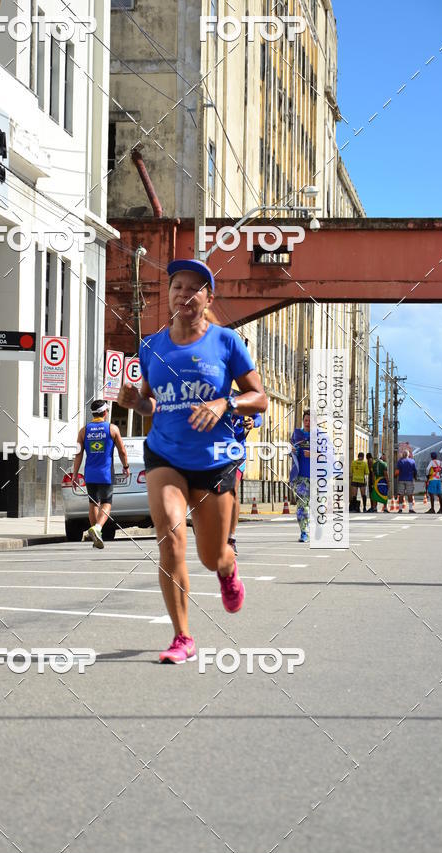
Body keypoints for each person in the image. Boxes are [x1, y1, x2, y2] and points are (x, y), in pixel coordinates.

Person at [117, 259, 267, 664]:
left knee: (211, 555)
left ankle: (227, 569)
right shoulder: (151, 346)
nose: (183, 293)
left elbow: (259, 398)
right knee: (169, 535)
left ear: (208, 298)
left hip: (213, 459)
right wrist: (135, 403)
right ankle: (182, 636)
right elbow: (151, 403)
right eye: (177, 286)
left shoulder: (226, 342)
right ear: (168, 294)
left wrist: (225, 403)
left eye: (193, 288)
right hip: (165, 453)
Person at [71, 400, 130, 548]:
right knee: (106, 502)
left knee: (93, 503)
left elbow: (78, 454)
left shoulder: (83, 431)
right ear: (104, 412)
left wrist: (74, 474)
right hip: (105, 473)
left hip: (90, 474)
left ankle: (97, 536)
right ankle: (97, 528)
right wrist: (126, 466)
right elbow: (122, 451)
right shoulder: (112, 429)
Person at [228, 409, 262, 556]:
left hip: (237, 453)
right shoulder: (211, 397)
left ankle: (231, 538)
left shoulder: (241, 400)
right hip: (215, 452)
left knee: (233, 492)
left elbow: (258, 417)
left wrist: (253, 422)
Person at [289, 411, 310, 542]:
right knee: (302, 506)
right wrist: (292, 451)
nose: (308, 423)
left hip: (318, 478)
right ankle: (304, 532)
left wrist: (313, 454)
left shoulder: (320, 436)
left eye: (311, 421)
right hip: (301, 477)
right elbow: (291, 451)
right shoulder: (297, 434)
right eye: (306, 420)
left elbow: (328, 455)